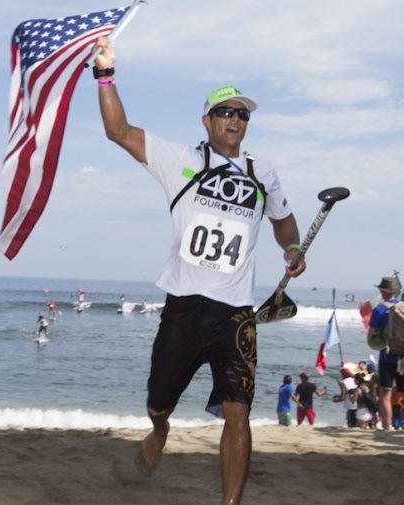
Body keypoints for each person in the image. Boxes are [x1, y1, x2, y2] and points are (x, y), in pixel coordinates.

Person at [94, 37, 305, 504]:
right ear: (207, 121)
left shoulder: (262, 171)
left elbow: (283, 218)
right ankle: (159, 431)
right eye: (225, 112)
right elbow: (119, 131)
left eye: (242, 114)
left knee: (238, 412)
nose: (235, 119)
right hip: (185, 307)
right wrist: (105, 74)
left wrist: (290, 246)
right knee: (158, 401)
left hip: (236, 314)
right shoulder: (181, 160)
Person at [367, 276, 404, 431]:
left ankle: (387, 427)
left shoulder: (379, 310)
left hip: (387, 356)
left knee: (385, 393)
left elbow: (372, 334)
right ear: (396, 292)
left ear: (383, 291)